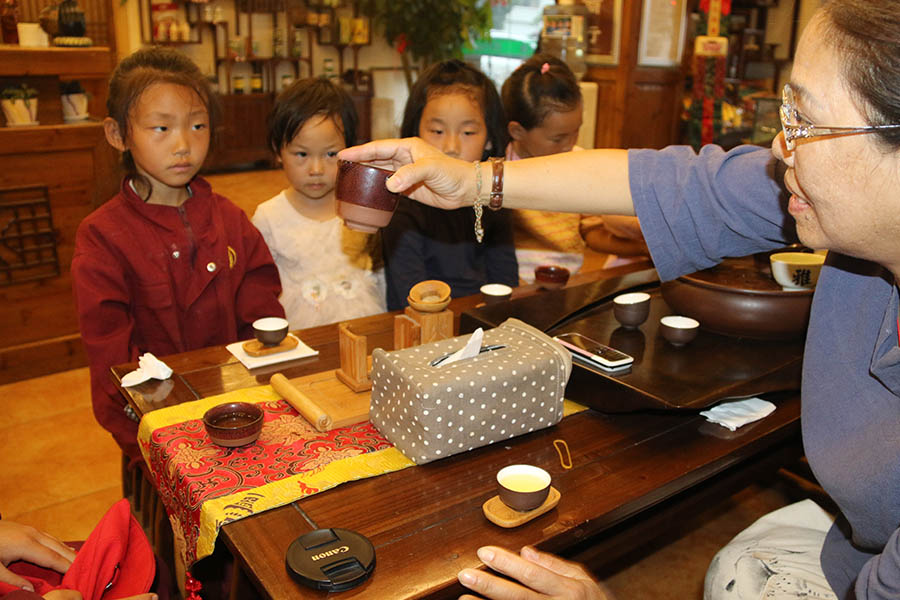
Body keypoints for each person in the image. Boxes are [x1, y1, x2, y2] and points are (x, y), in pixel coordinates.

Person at [339, 1, 900, 598]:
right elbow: (684, 184)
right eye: (787, 114)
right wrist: (473, 180)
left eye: (807, 121)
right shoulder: (834, 208)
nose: (781, 146)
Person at [71, 47, 284, 464]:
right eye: (161, 128)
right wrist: (154, 448)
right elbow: (111, 364)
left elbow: (261, 317)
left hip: (240, 419)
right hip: (159, 439)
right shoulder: (102, 237)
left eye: (197, 125)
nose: (184, 144)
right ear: (118, 135)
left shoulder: (230, 219)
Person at [381, 59, 518, 310]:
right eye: (437, 131)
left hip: (483, 321)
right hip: (423, 324)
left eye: (468, 133)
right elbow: (410, 298)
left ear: (489, 138)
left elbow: (505, 286)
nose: (451, 147)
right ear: (415, 134)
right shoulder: (404, 206)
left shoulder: (494, 200)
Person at [251, 77, 386, 329]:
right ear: (278, 151)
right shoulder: (268, 217)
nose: (316, 169)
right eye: (302, 154)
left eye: (330, 154)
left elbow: (378, 273)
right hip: (300, 333)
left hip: (362, 323)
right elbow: (258, 288)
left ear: (350, 150)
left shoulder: (360, 209)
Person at [500, 54, 648, 281]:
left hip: (566, 283)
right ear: (517, 131)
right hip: (513, 283)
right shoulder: (501, 170)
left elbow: (591, 231)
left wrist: (644, 248)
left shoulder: (578, 164)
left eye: (576, 131)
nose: (569, 145)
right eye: (558, 138)